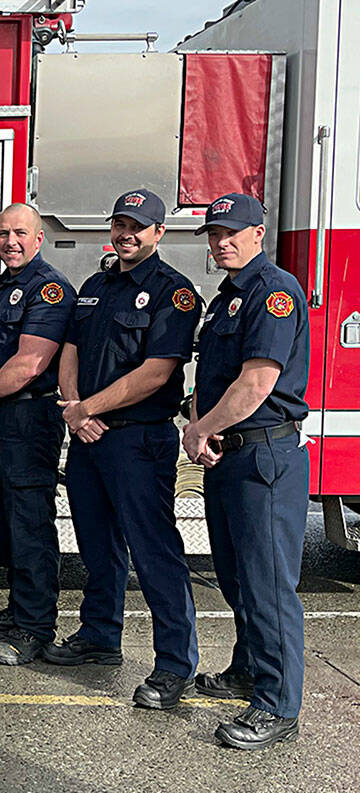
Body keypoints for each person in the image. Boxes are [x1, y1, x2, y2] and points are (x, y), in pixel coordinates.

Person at [48, 189, 202, 709]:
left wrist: (87, 409)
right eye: (120, 224)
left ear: (159, 232)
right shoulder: (95, 285)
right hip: (88, 437)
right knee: (96, 545)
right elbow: (70, 351)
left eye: (138, 226)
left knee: (154, 553)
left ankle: (174, 665)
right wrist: (76, 409)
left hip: (139, 439)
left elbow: (156, 372)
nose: (126, 234)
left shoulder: (173, 293)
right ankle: (99, 635)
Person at [183, 193, 308, 750]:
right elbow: (212, 378)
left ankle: (277, 706)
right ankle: (248, 668)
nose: (220, 242)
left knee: (268, 586)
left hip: (264, 458)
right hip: (230, 454)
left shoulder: (273, 292)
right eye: (213, 234)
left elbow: (257, 383)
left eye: (231, 232)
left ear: (259, 232)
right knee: (236, 578)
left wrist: (200, 430)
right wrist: (202, 423)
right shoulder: (227, 297)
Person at [0, 203, 73, 666]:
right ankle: (18, 607)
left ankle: (35, 627)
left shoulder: (49, 289)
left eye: (20, 233)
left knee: (29, 523)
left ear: (39, 238)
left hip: (29, 420)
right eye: (3, 233)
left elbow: (30, 364)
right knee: (3, 521)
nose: (10, 242)